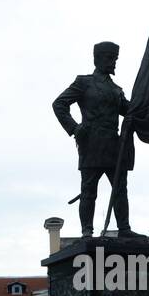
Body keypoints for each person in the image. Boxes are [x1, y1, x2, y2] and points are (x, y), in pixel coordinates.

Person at [52, 41, 134, 237]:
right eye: (110, 58)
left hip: (114, 146)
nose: (113, 63)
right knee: (89, 190)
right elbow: (59, 104)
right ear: (97, 59)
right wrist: (74, 128)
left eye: (115, 59)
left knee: (120, 189)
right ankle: (87, 231)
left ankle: (124, 229)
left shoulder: (116, 90)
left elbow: (129, 110)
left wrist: (145, 99)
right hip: (91, 144)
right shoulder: (84, 82)